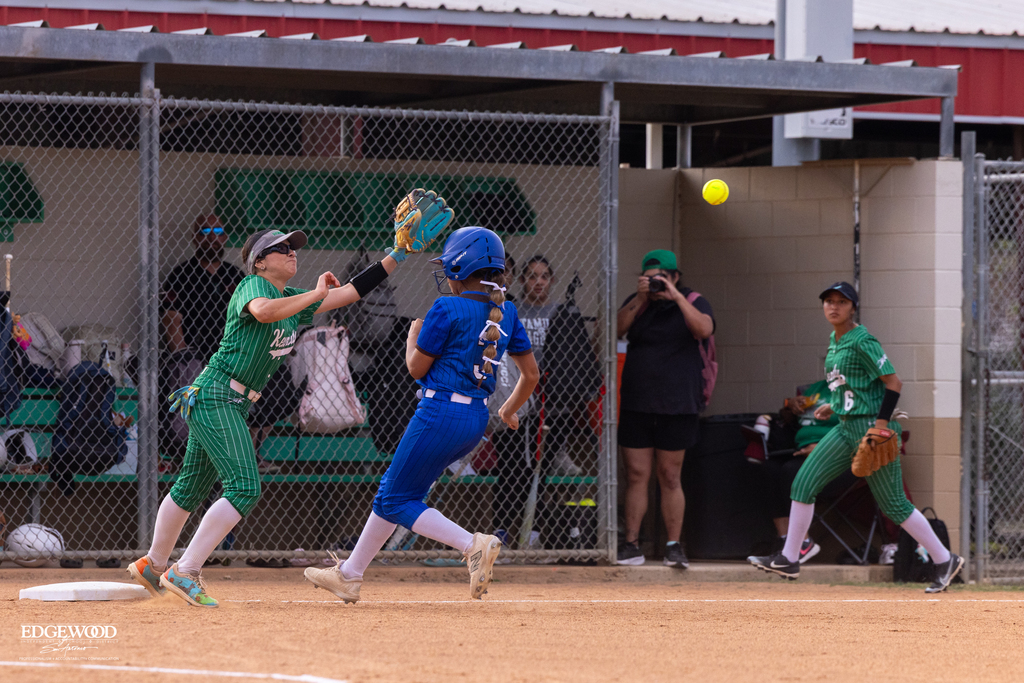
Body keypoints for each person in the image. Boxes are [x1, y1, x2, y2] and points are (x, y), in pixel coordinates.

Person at [128, 226, 407, 607]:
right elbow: (263, 312)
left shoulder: (291, 296)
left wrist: (398, 253)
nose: (292, 252)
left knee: (191, 486)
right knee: (244, 487)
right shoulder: (252, 287)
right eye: (281, 249)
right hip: (216, 395)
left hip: (231, 401)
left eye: (293, 248)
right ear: (259, 262)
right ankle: (185, 570)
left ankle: (153, 564)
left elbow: (350, 293)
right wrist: (316, 293)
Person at [303, 227, 539, 602]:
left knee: (394, 498)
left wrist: (413, 337)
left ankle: (471, 544)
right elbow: (531, 375)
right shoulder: (507, 311)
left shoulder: (446, 307)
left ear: (462, 267)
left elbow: (415, 368)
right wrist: (508, 410)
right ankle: (350, 574)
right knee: (397, 494)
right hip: (475, 422)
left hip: (439, 414)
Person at [748, 282, 964, 593]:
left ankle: (944, 559)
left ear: (853, 308)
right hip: (845, 427)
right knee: (802, 484)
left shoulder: (863, 340)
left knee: (894, 505)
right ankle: (789, 557)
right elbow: (852, 389)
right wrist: (830, 407)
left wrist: (879, 425)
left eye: (841, 302)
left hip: (870, 430)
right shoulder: (835, 342)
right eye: (828, 301)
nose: (833, 307)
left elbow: (893, 383)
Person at [615, 249, 714, 568]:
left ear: (675, 276)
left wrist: (675, 297)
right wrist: (642, 298)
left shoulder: (693, 299)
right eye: (651, 277)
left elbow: (704, 329)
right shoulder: (638, 301)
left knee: (670, 475)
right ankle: (631, 544)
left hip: (679, 402)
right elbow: (617, 330)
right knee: (636, 473)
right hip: (637, 401)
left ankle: (673, 545)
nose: (657, 282)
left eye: (663, 277)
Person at [490, 255, 581, 552]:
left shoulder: (561, 311)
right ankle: (502, 530)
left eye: (543, 276)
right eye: (531, 276)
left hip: (550, 402)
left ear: (552, 280)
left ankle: (534, 532)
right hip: (516, 397)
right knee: (512, 466)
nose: (537, 282)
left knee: (537, 470)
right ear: (521, 280)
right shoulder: (512, 310)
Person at [757, 381, 838, 563]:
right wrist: (790, 406)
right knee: (769, 469)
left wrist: (824, 447)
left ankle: (803, 543)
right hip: (803, 451)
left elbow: (861, 430)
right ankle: (785, 541)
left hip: (838, 457)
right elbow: (791, 418)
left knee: (791, 471)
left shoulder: (858, 391)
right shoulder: (816, 389)